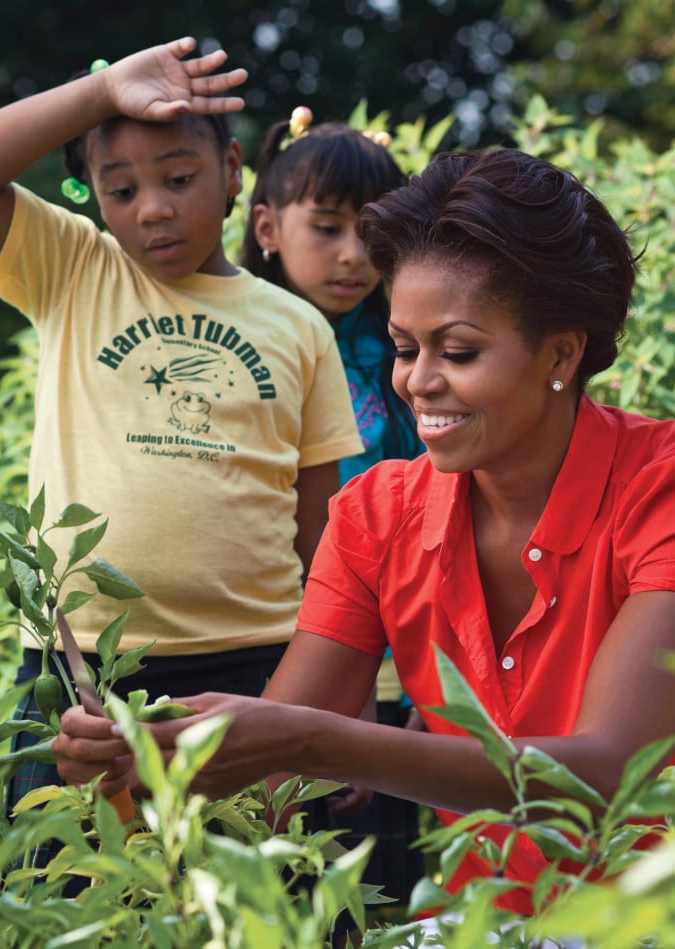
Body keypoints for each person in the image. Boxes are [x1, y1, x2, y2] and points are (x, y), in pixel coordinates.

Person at [55, 146, 675, 918]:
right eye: (403, 347)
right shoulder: (376, 515)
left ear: (562, 353)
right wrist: (132, 770)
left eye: (457, 351)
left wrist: (311, 741)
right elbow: (270, 790)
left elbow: (606, 774)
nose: (418, 381)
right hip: (489, 916)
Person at [0, 36, 364, 817]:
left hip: (259, 665)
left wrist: (328, 706)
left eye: (180, 178)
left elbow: (323, 536)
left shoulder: (297, 327)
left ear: (232, 174)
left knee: (255, 909)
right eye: (118, 190)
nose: (151, 207)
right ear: (92, 196)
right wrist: (100, 93)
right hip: (83, 666)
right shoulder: (74, 268)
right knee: (88, 900)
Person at [240, 113, 427, 913]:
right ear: (268, 229)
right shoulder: (241, 345)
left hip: (389, 664)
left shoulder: (407, 358)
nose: (354, 254)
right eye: (328, 228)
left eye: (372, 232)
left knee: (378, 894)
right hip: (261, 655)